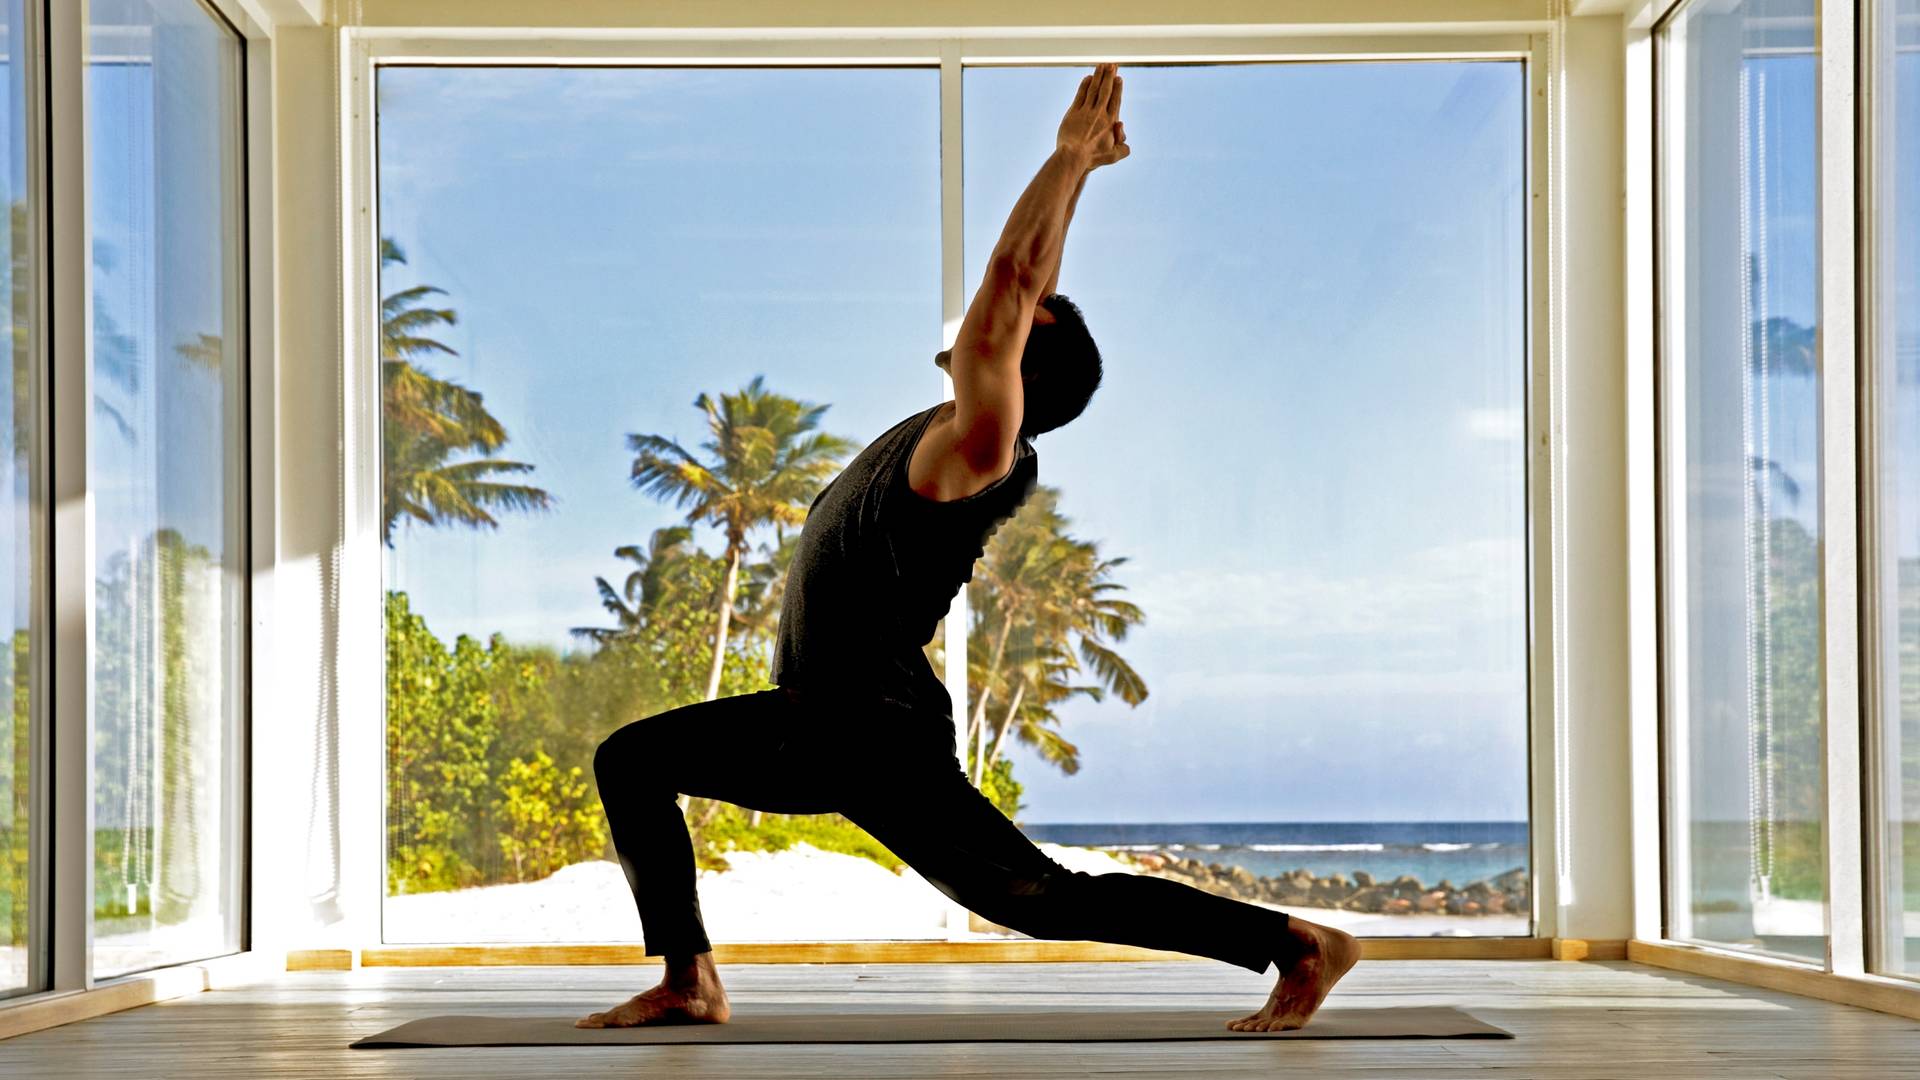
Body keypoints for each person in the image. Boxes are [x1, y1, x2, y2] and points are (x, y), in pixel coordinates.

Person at [577, 62, 1360, 1034]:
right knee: (634, 761)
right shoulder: (959, 429)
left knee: (1036, 899)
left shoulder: (979, 449)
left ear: (1021, 357)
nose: (992, 311)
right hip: (821, 720)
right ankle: (690, 978)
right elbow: (1031, 287)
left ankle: (1295, 944)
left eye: (1016, 320)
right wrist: (1077, 188)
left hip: (870, 730)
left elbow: (1019, 278)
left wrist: (1069, 158)